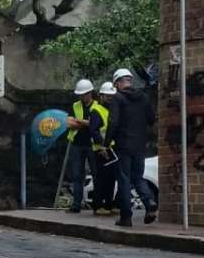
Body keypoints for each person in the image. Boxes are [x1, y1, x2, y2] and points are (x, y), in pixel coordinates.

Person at [105, 68, 158, 227]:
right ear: (130, 80)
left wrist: (106, 143)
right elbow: (151, 118)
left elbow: (113, 122)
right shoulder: (143, 97)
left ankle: (126, 217)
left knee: (124, 179)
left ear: (117, 83)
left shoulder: (117, 99)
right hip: (140, 145)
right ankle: (149, 203)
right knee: (138, 176)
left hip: (123, 145)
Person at [65, 79, 104, 214]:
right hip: (77, 144)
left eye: (84, 94)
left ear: (90, 93)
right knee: (77, 175)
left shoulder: (98, 106)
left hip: (92, 145)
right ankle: (76, 205)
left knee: (96, 174)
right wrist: (88, 123)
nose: (82, 97)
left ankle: (97, 205)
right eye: (80, 94)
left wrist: (79, 122)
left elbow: (97, 124)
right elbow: (69, 123)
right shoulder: (75, 106)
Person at [93, 82, 119, 216]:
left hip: (111, 148)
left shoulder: (112, 109)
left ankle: (109, 205)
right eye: (107, 96)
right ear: (101, 96)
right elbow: (94, 131)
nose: (110, 98)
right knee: (101, 178)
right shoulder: (96, 110)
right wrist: (102, 146)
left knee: (111, 178)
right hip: (101, 150)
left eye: (112, 96)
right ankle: (98, 205)